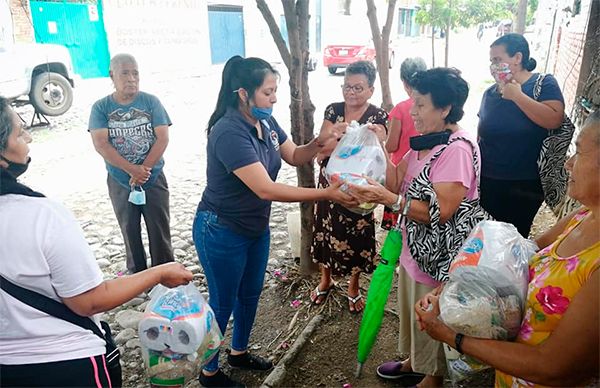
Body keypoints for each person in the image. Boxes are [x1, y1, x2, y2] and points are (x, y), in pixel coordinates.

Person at [0, 96, 194, 387]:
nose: (28, 136)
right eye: (18, 132)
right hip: (65, 363)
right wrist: (160, 271)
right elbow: (88, 300)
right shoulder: (40, 215)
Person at [193, 55, 355, 388]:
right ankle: (209, 371)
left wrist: (322, 142)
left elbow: (295, 154)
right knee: (222, 302)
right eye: (268, 92)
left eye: (275, 91)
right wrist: (326, 195)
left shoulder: (264, 122)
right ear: (243, 94)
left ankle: (238, 352)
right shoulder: (227, 131)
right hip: (220, 229)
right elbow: (265, 189)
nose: (274, 98)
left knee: (250, 294)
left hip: (254, 227)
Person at [415, 109, 600, 387]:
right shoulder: (585, 215)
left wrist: (452, 336)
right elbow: (524, 251)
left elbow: (551, 365)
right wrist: (455, 287)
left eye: (579, 152)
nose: (567, 164)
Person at [348, 68, 478, 387]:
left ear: (445, 108)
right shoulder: (425, 143)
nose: (413, 112)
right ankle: (413, 362)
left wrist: (389, 198)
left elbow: (443, 211)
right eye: (413, 103)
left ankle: (430, 379)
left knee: (429, 315)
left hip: (438, 255)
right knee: (412, 310)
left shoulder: (456, 150)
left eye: (420, 105)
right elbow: (395, 180)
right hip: (414, 248)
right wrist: (377, 146)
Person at [309, 60, 388, 313]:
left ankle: (353, 286)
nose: (351, 92)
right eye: (347, 87)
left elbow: (378, 151)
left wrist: (339, 143)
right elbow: (322, 145)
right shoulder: (333, 110)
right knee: (325, 230)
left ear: (370, 90)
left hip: (359, 189)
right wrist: (336, 142)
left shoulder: (378, 116)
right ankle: (325, 279)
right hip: (330, 185)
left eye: (358, 88)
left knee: (356, 234)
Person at [89, 53, 174, 274]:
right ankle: (137, 273)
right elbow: (101, 143)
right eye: (125, 73)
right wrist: (131, 170)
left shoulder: (151, 102)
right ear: (112, 75)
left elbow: (162, 137)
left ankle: (164, 272)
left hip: (153, 178)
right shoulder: (101, 108)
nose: (131, 79)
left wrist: (143, 170)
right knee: (129, 228)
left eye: (135, 73)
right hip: (120, 180)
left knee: (159, 227)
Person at [478, 33, 565, 237]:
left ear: (518, 58)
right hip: (489, 180)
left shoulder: (544, 84)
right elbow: (481, 136)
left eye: (498, 60)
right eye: (491, 61)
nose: (493, 66)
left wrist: (517, 96)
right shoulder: (489, 94)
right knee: (487, 239)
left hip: (525, 184)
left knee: (513, 239)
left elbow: (554, 118)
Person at [381, 57, 427, 230]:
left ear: (405, 83)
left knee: (397, 226)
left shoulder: (401, 109)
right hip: (420, 171)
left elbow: (391, 146)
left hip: (400, 173)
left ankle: (397, 254)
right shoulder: (430, 106)